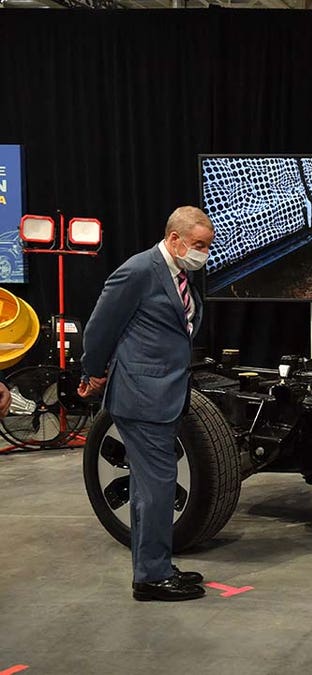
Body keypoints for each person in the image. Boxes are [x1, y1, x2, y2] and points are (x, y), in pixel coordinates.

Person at [78, 206, 213, 601]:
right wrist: (93, 372)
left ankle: (153, 567)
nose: (203, 253)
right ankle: (151, 578)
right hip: (141, 397)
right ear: (175, 239)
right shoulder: (138, 271)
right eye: (199, 245)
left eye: (207, 246)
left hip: (163, 394)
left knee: (147, 488)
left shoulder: (179, 275)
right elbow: (100, 328)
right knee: (157, 486)